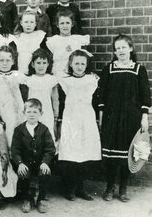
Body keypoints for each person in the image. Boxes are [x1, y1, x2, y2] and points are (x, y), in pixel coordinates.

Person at [99, 34, 151, 202]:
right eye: (117, 48)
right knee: (111, 155)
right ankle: (109, 187)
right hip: (112, 117)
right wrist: (101, 117)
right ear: (114, 51)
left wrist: (144, 118)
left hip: (131, 118)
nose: (120, 50)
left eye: (123, 47)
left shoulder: (138, 69)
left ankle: (123, 188)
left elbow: (145, 96)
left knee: (128, 154)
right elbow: (102, 95)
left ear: (130, 48)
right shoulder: (109, 68)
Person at [58, 50, 101, 201]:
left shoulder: (92, 80)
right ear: (70, 64)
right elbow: (61, 102)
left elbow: (96, 102)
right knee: (71, 153)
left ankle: (81, 188)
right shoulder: (64, 81)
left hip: (87, 118)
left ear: (87, 64)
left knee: (85, 152)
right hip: (70, 118)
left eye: (83, 63)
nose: (79, 66)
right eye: (76, 63)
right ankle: (69, 188)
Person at [11, 99, 56, 214]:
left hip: (40, 163)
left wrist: (45, 162)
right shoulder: (19, 130)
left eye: (35, 112)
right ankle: (28, 199)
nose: (31, 114)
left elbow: (50, 148)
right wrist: (20, 163)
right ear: (24, 113)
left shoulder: (44, 129)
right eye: (29, 111)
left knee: (45, 171)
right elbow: (15, 150)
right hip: (25, 163)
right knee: (23, 172)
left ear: (41, 114)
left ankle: (41, 199)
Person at [0, 45, 27, 146]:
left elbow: (24, 97)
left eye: (8, 60)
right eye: (1, 60)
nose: (4, 63)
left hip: (13, 112)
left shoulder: (18, 76)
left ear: (13, 61)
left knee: (12, 134)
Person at [26, 49, 59, 144]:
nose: (41, 66)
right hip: (31, 113)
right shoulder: (28, 80)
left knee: (47, 136)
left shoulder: (51, 80)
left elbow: (55, 99)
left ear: (48, 64)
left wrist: (56, 117)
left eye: (44, 63)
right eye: (38, 63)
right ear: (33, 64)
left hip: (47, 113)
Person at [46, 9, 90, 77]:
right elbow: (49, 61)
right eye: (62, 23)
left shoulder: (77, 40)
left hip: (73, 75)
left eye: (67, 23)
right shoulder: (53, 41)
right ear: (57, 25)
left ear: (72, 24)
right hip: (57, 74)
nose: (65, 26)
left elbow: (84, 59)